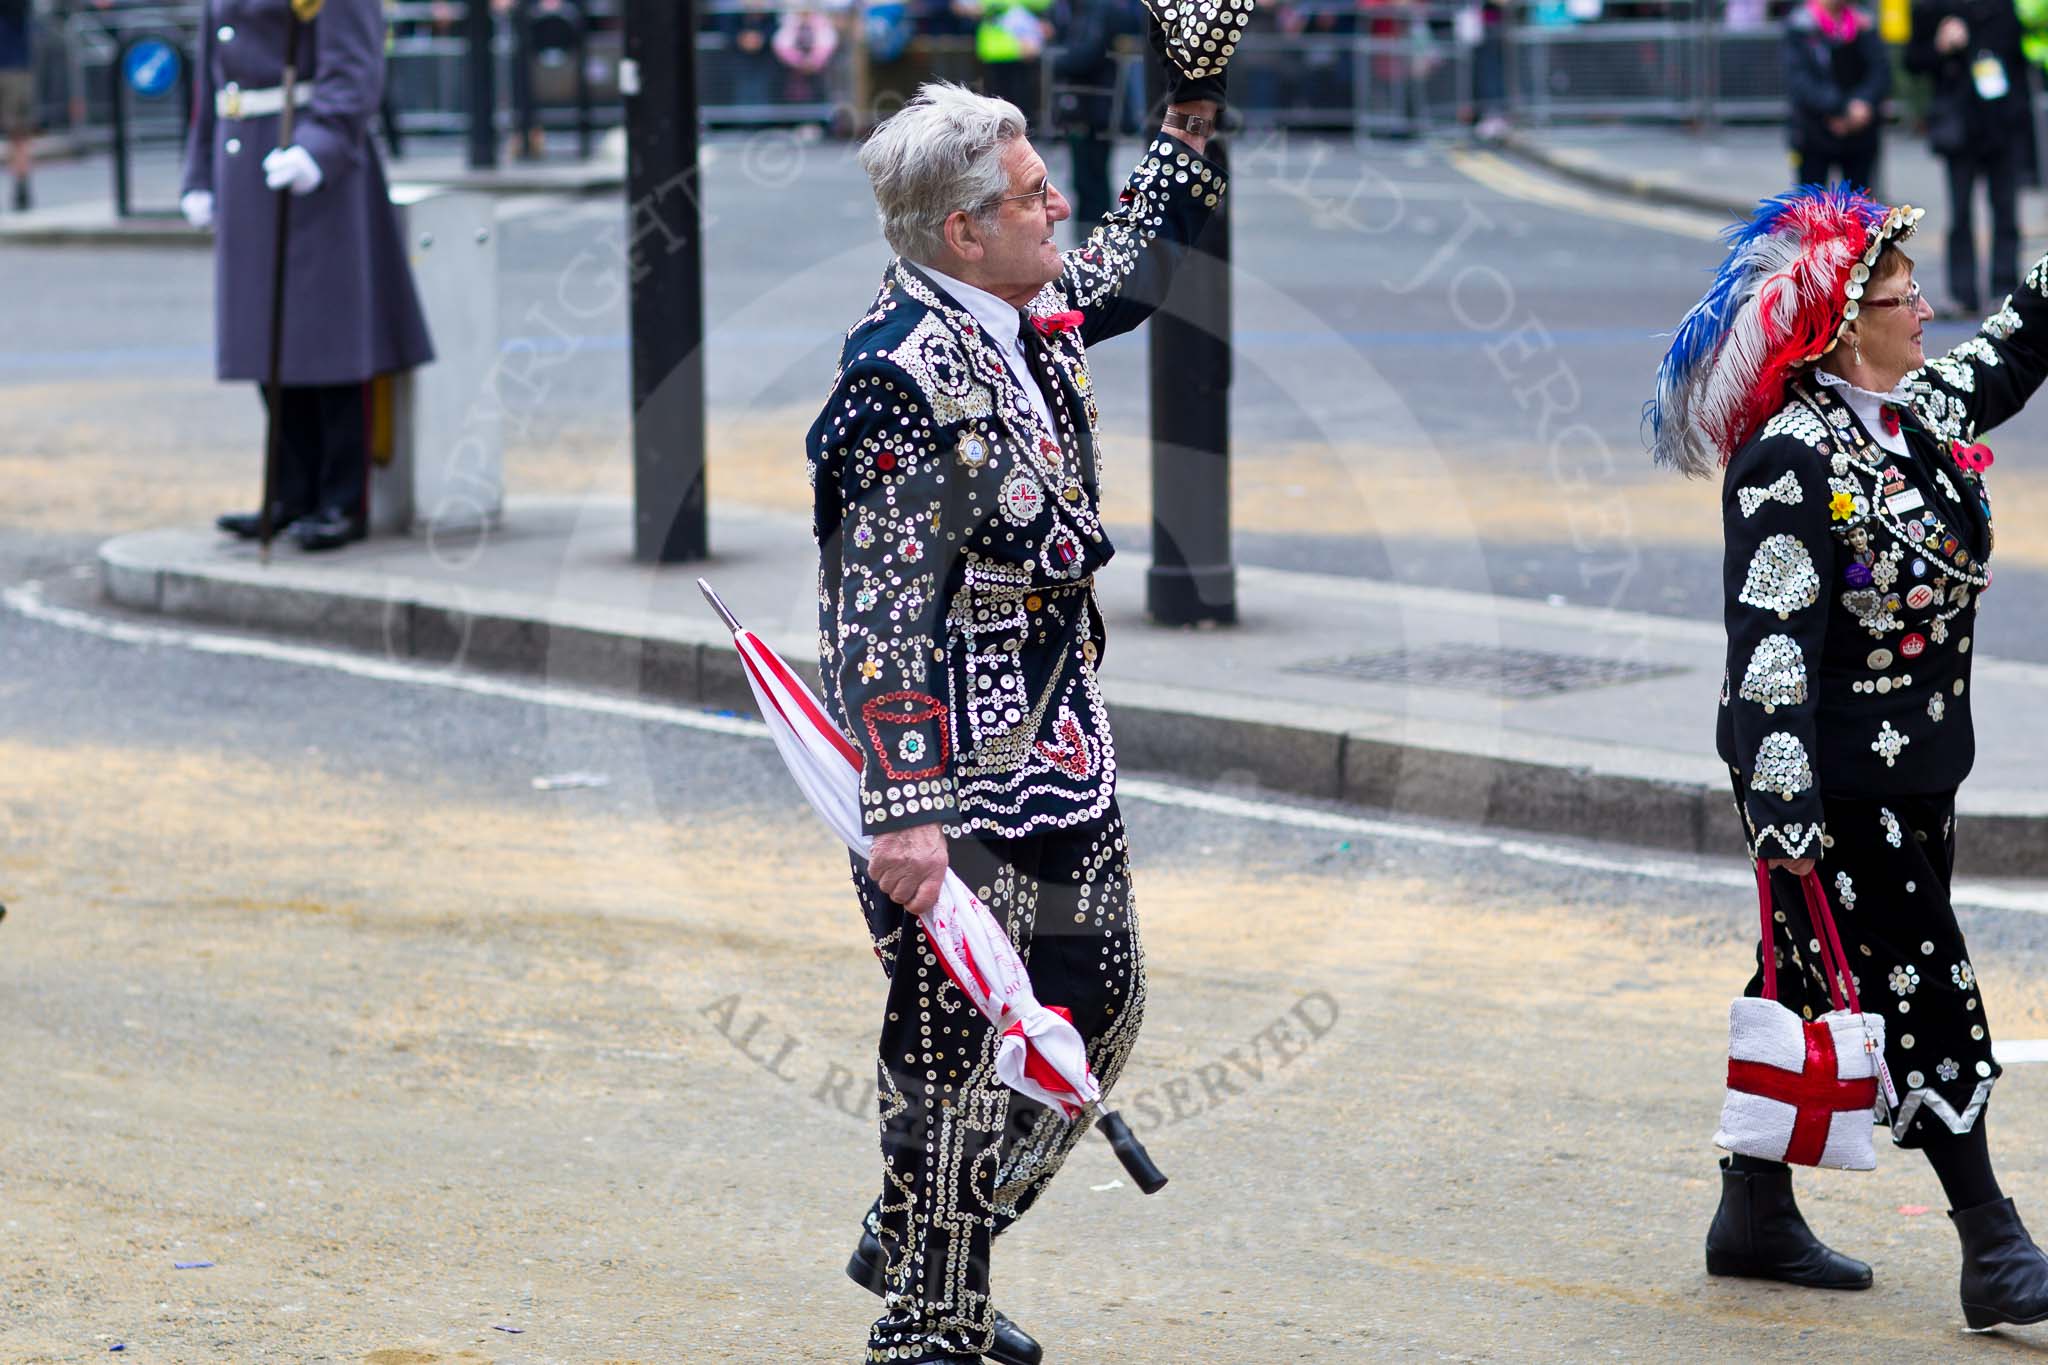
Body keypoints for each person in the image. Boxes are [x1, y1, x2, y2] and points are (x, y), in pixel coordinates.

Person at [809, 18, 1229, 1360]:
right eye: (1036, 193)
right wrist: (907, 814)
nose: (1062, 208)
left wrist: (1194, 102)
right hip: (950, 778)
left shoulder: (1028, 305)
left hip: (1062, 743)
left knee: (1097, 1007)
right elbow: (870, 617)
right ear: (960, 232)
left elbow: (1134, 261)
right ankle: (930, 1318)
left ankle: (927, 1232)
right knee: (949, 1047)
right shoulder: (894, 381)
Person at [1650, 186, 2048, 1329]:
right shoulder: (1787, 459)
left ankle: (1752, 1212)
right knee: (1922, 980)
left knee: (1812, 973)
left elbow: (2014, 351)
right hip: (1829, 782)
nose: (1921, 308)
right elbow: (1767, 639)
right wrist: (1782, 804)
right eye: (1894, 295)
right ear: (1836, 326)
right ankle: (1991, 1242)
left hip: (1920, 769)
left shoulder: (1909, 416)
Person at [181, 0, 433, 552]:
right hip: (245, 160)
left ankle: (343, 496)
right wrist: (198, 172)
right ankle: (289, 490)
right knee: (261, 334)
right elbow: (210, 77)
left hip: (314, 163)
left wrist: (321, 147)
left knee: (329, 339)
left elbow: (355, 67)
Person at [1908, 0, 2033, 317]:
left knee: (2005, 211)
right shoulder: (1932, 9)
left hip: (2001, 123)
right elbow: (1913, 60)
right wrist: (1940, 45)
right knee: (1960, 213)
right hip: (1959, 127)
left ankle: (2003, 289)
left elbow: (2020, 57)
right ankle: (1962, 294)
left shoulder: (2003, 7)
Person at [1783, 0, 1890, 192]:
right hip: (1814, 132)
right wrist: (1841, 108)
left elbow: (1880, 72)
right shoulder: (1801, 26)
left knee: (1858, 210)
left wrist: (1862, 103)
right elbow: (1800, 81)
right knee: (1812, 208)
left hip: (1860, 131)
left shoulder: (1864, 24)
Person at [1048, 0, 1136, 231]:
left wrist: (1053, 60)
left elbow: (1088, 53)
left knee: (1092, 179)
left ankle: (1096, 235)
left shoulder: (1098, 9)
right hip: (1086, 107)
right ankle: (1092, 235)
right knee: (1085, 178)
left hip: (1095, 108)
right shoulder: (1081, 9)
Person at [0, 0, 33, 211]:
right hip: (14, 67)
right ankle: (21, 185)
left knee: (18, 131)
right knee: (18, 131)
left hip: (13, 67)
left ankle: (21, 185)